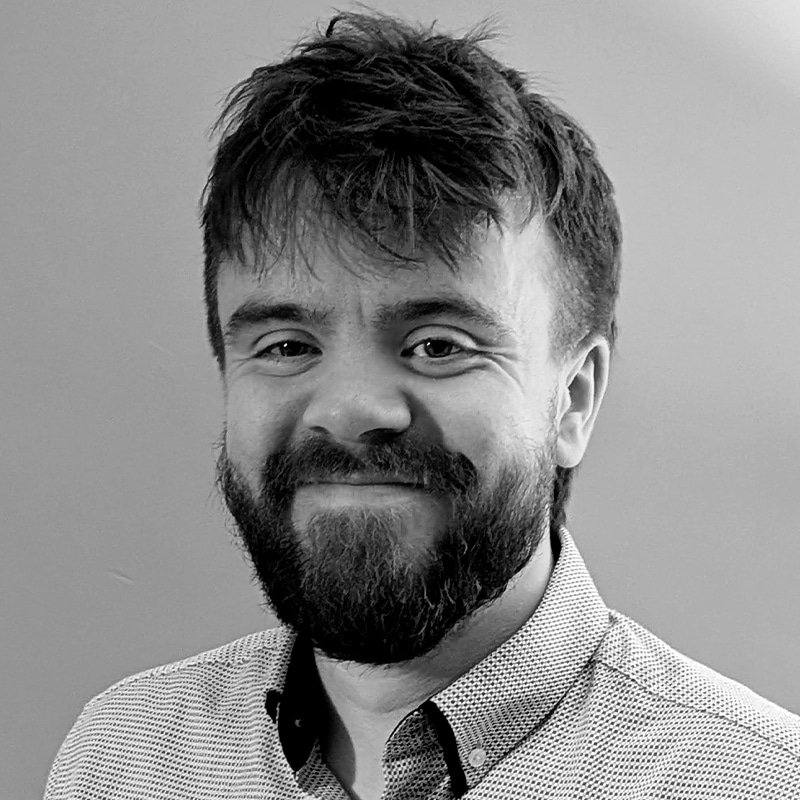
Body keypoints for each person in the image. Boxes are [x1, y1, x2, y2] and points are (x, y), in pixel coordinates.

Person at [45, 11, 800, 800]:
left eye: (439, 344)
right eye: (287, 346)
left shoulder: (759, 783)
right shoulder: (123, 756)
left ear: (572, 399)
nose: (350, 408)